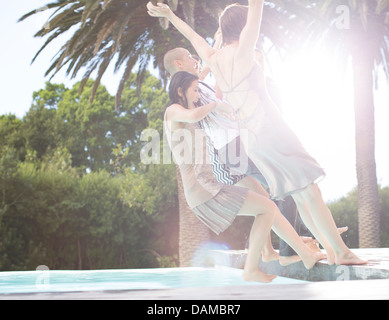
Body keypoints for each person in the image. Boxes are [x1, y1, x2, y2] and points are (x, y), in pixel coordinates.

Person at [147, 1, 367, 266]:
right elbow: (256, 10)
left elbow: (194, 38)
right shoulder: (242, 52)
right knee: (307, 188)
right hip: (268, 132)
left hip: (251, 141)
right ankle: (332, 249)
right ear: (242, 27)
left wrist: (170, 14)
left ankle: (328, 247)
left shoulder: (213, 60)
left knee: (298, 192)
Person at [164, 71, 325, 282]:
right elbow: (194, 115)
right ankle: (271, 263)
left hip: (209, 188)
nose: (197, 95)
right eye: (194, 90)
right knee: (267, 207)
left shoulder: (190, 116)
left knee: (266, 208)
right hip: (203, 192)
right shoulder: (173, 111)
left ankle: (301, 255)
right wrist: (216, 105)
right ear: (179, 91)